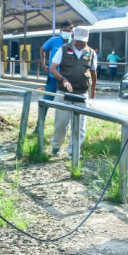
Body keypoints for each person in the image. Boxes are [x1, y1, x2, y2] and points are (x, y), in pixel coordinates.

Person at [50, 26, 97, 158]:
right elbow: (53, 68)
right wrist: (63, 79)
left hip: (81, 94)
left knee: (80, 126)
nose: (80, 44)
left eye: (83, 42)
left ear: (87, 40)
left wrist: (92, 95)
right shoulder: (63, 49)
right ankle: (56, 146)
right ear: (73, 38)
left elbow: (93, 74)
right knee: (61, 123)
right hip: (63, 93)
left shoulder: (91, 53)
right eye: (77, 41)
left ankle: (74, 151)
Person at [40, 20, 72, 100]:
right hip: (53, 76)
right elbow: (42, 49)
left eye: (69, 31)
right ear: (60, 30)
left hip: (68, 78)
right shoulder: (53, 40)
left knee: (65, 100)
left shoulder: (73, 43)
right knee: (47, 98)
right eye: (65, 30)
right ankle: (42, 112)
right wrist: (43, 65)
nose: (67, 32)